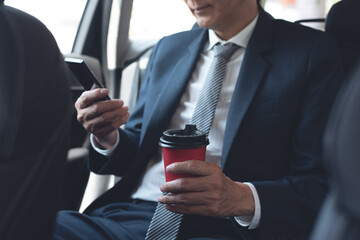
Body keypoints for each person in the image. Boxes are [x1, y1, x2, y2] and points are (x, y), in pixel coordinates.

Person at [54, 0, 343, 239]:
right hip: (130, 215)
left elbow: (321, 181)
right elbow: (137, 147)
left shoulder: (311, 53)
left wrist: (238, 197)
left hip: (229, 225)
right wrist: (108, 136)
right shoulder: (169, 48)